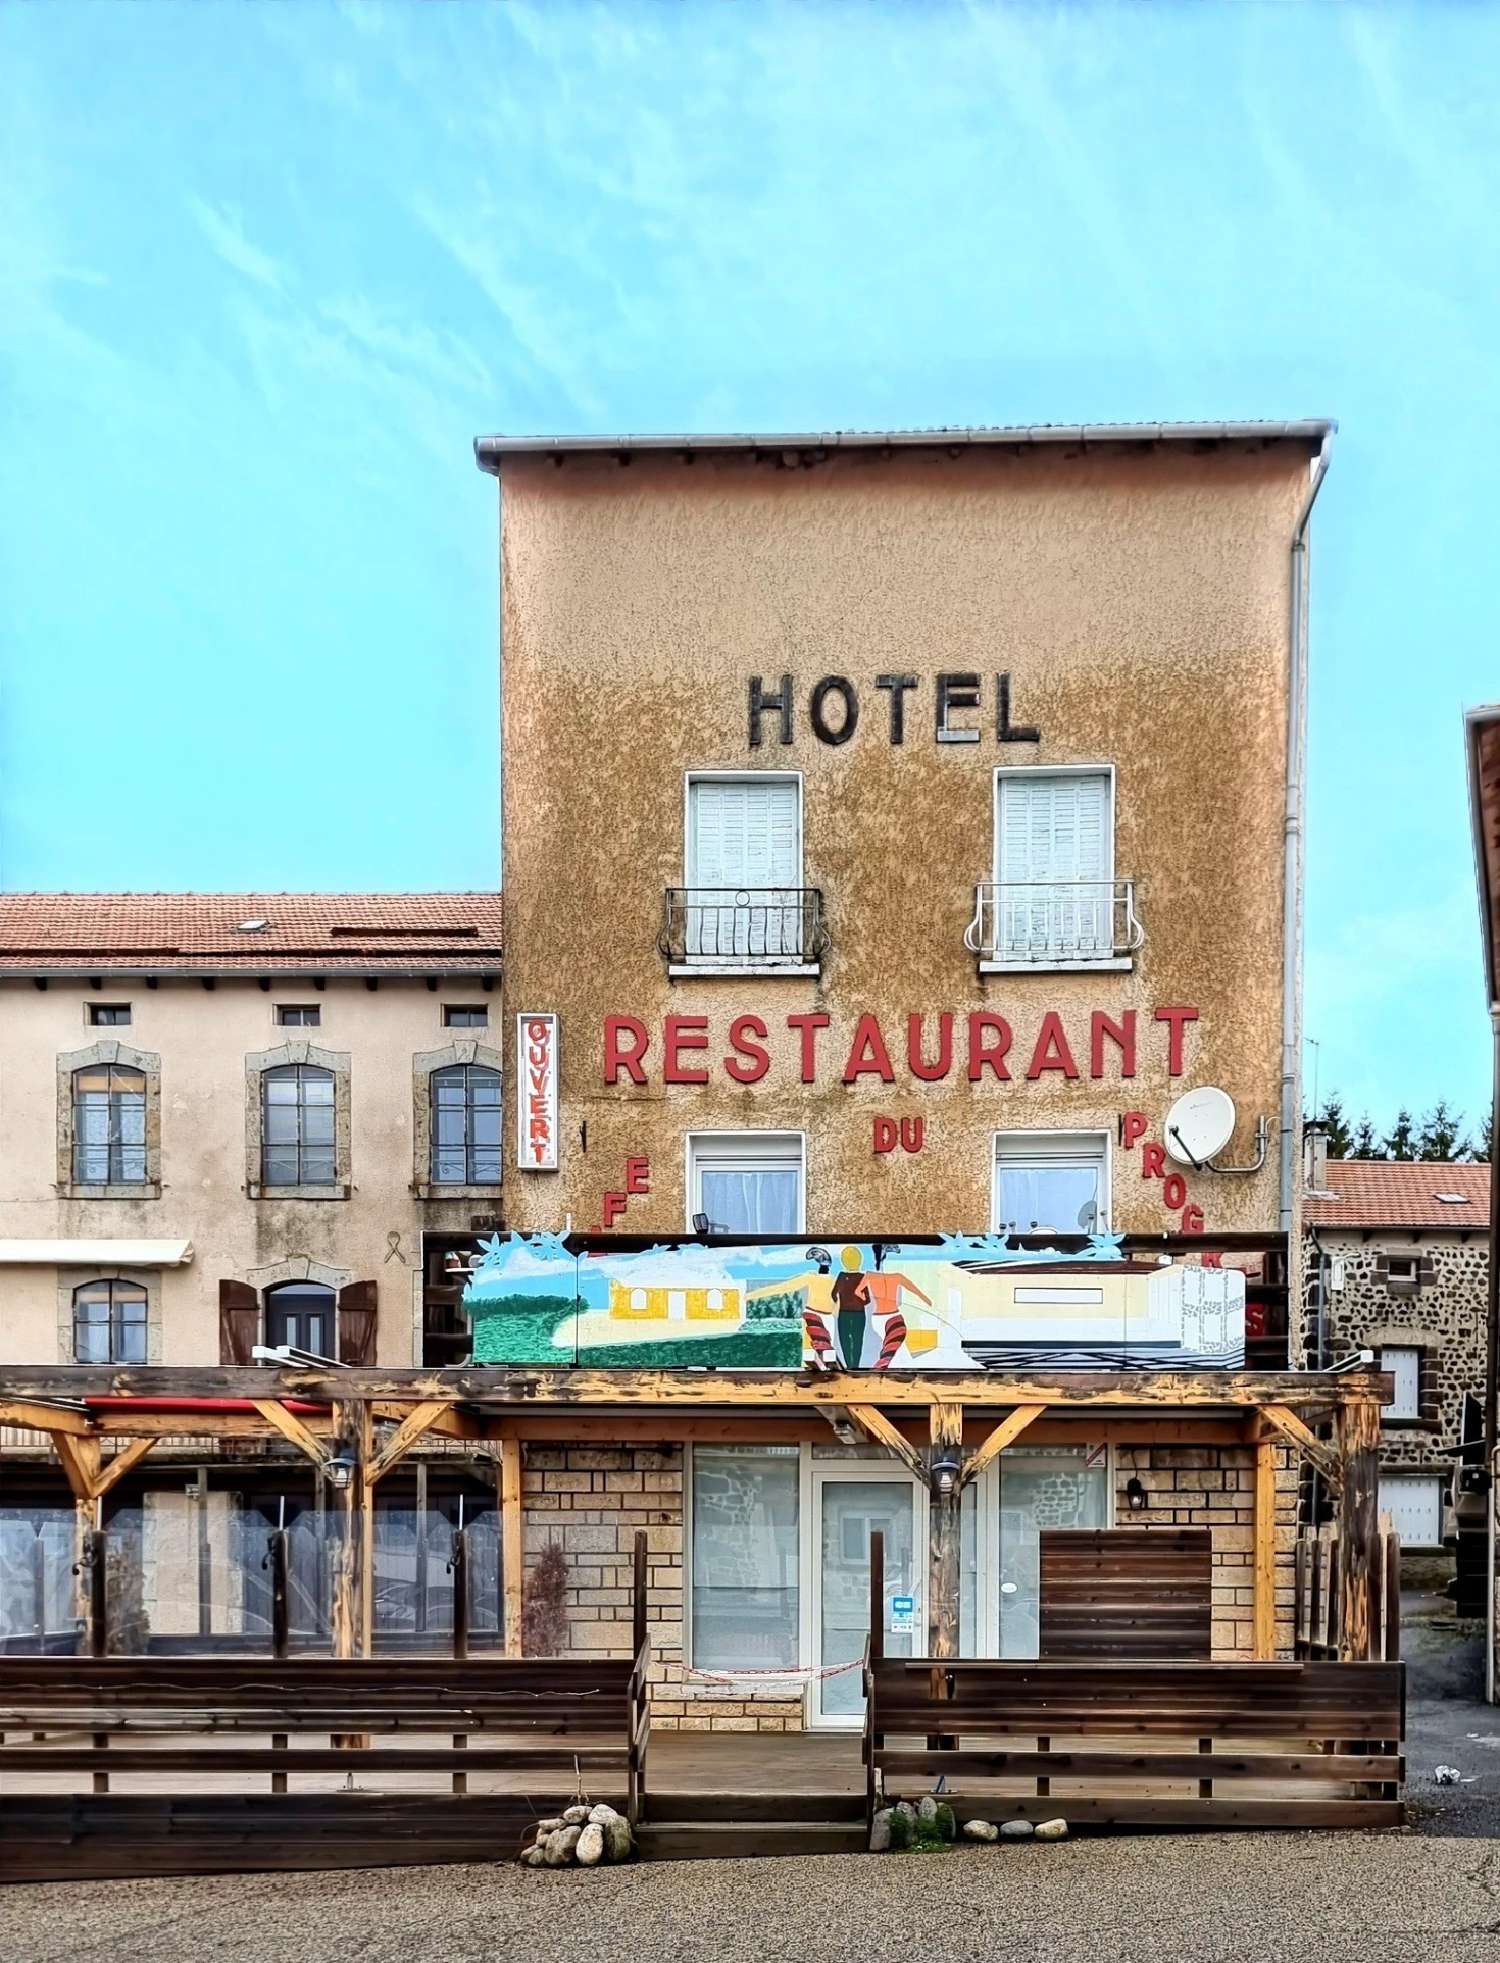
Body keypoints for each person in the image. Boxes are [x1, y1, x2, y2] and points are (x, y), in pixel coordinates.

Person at [855, 1266, 933, 1370]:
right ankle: (880, 1368)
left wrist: (865, 1298)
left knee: (891, 1348)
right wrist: (924, 1298)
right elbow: (912, 1287)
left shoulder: (869, 1276)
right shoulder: (897, 1277)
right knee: (891, 1349)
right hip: (893, 1315)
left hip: (879, 1318)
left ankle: (883, 1369)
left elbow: (857, 1292)